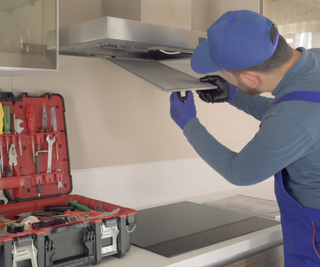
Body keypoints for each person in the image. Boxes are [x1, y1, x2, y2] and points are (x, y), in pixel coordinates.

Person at [170, 9, 320, 267]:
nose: (231, 81)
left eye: (229, 76)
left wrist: (189, 124)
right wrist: (234, 95)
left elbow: (239, 172)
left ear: (251, 78)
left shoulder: (292, 119)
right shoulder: (313, 62)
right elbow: (294, 115)